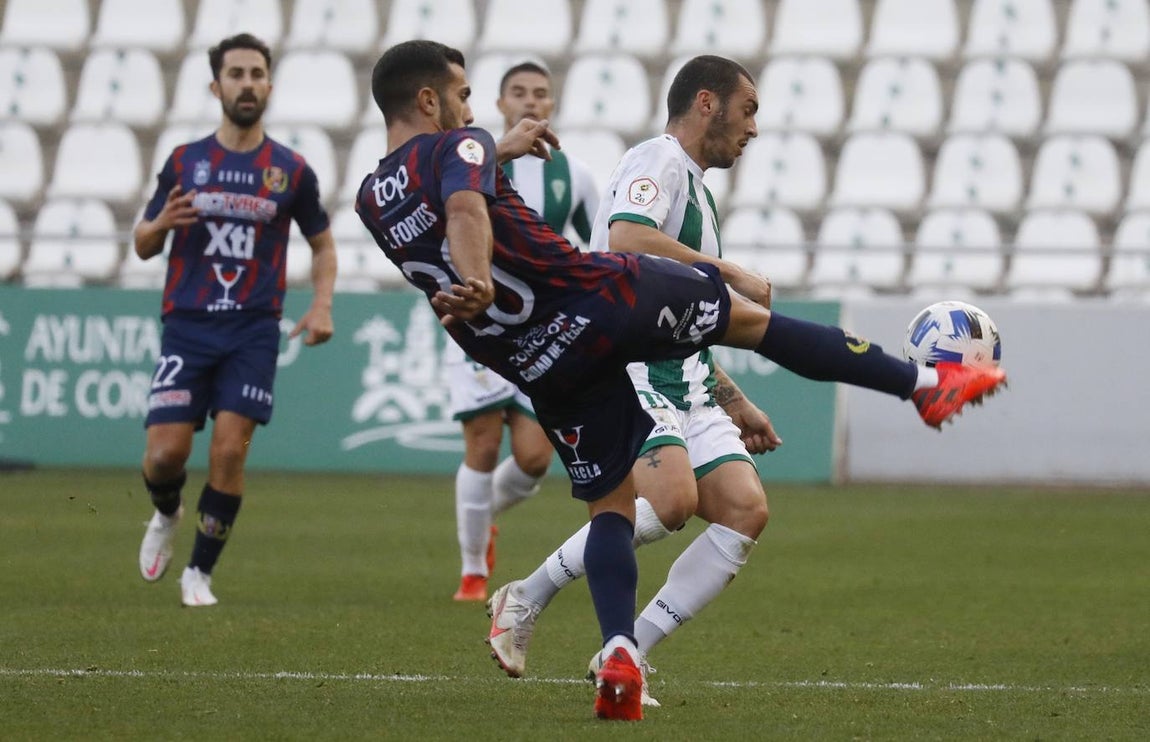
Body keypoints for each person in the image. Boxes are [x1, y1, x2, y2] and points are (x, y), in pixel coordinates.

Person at [355, 40, 1005, 721]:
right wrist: (480, 267)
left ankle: (621, 651)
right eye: (461, 95)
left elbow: (444, 195)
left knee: (617, 508)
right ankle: (920, 384)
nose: (469, 109)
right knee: (754, 328)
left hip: (538, 359)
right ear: (428, 99)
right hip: (595, 300)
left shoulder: (373, 197)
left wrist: (502, 153)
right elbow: (468, 209)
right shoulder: (478, 149)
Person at [486, 55, 786, 707]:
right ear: (706, 103)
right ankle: (529, 596)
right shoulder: (658, 159)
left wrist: (736, 401)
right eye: (748, 110)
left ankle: (625, 653)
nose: (754, 128)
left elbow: (680, 317)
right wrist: (730, 272)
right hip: (632, 368)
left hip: (688, 382)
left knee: (744, 510)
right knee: (671, 501)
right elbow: (627, 239)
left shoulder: (698, 190)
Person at [135, 33, 337, 608]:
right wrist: (161, 225)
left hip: (253, 329)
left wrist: (322, 303)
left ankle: (198, 573)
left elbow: (322, 245)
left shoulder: (290, 170)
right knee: (164, 457)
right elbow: (143, 244)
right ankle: (167, 511)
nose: (247, 84)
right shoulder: (185, 161)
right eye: (236, 74)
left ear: (269, 85)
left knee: (228, 451)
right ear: (215, 86)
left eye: (256, 74)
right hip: (188, 325)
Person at [446, 61, 602, 602]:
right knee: (483, 441)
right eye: (518, 92)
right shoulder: (472, 163)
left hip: (545, 326)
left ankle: (478, 516)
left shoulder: (574, 175)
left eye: (540, 93)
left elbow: (602, 245)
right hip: (479, 315)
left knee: (535, 457)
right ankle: (472, 571)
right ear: (500, 104)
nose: (530, 101)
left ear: (551, 105)